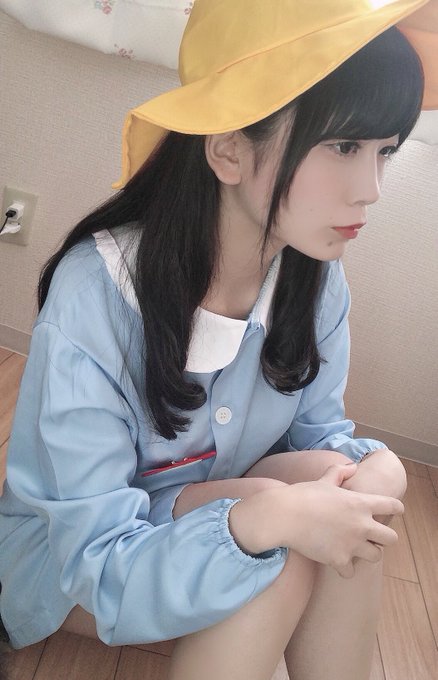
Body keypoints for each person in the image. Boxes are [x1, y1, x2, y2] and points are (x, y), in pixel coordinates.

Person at [0, 1, 436, 679]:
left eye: (386, 151)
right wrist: (260, 523)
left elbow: (320, 437)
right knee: (278, 560)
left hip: (199, 504)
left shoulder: (314, 278)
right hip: (78, 561)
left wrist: (377, 468)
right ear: (229, 148)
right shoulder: (97, 294)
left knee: (340, 496)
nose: (372, 189)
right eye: (344, 146)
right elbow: (96, 555)